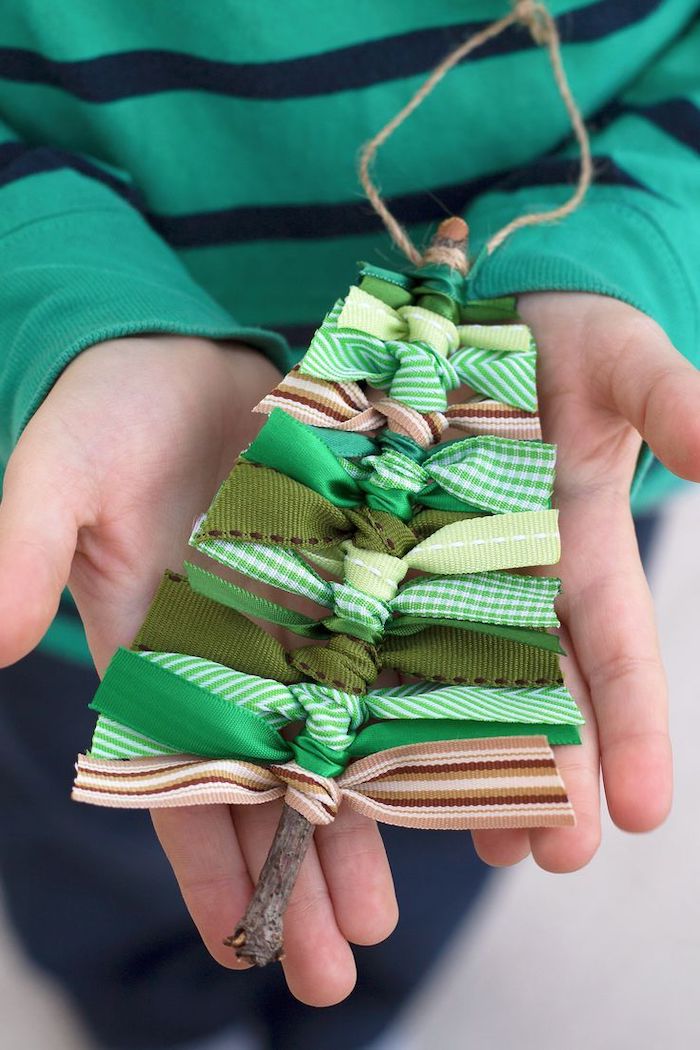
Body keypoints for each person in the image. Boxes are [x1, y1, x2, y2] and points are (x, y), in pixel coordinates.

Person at [0, 2, 698, 1048]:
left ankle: (355, 1013)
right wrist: (51, 299)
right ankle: (148, 1007)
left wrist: (635, 250)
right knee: (102, 855)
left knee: (421, 862)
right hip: (101, 562)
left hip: (529, 503)